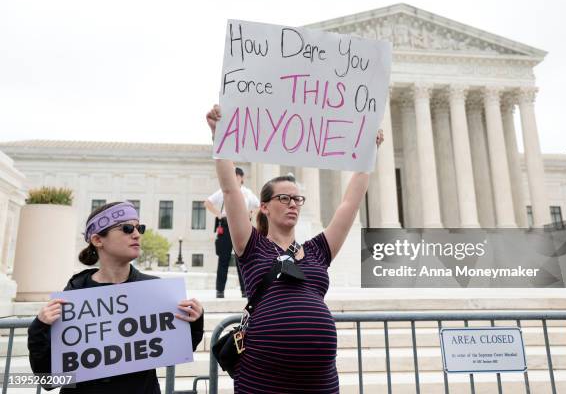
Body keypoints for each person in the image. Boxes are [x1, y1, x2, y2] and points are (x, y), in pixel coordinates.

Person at [206, 105, 384, 394]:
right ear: (263, 206)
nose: (292, 204)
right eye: (284, 197)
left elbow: (349, 204)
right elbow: (230, 191)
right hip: (262, 380)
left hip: (319, 382)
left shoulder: (317, 251)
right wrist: (219, 137)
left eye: (297, 199)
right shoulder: (251, 246)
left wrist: (368, 155)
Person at [27, 201, 204, 393]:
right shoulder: (75, 293)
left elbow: (177, 349)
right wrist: (40, 327)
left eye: (139, 228)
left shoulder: (155, 290)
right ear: (97, 240)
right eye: (127, 228)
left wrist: (194, 320)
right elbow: (48, 378)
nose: (136, 234)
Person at [205, 167, 259, 298]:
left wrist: (251, 214)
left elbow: (258, 206)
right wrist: (218, 214)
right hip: (226, 225)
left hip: (242, 225)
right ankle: (220, 291)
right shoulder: (224, 191)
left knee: (242, 259)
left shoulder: (247, 192)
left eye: (236, 176)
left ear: (241, 178)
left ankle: (245, 291)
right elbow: (207, 202)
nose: (233, 179)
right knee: (223, 259)